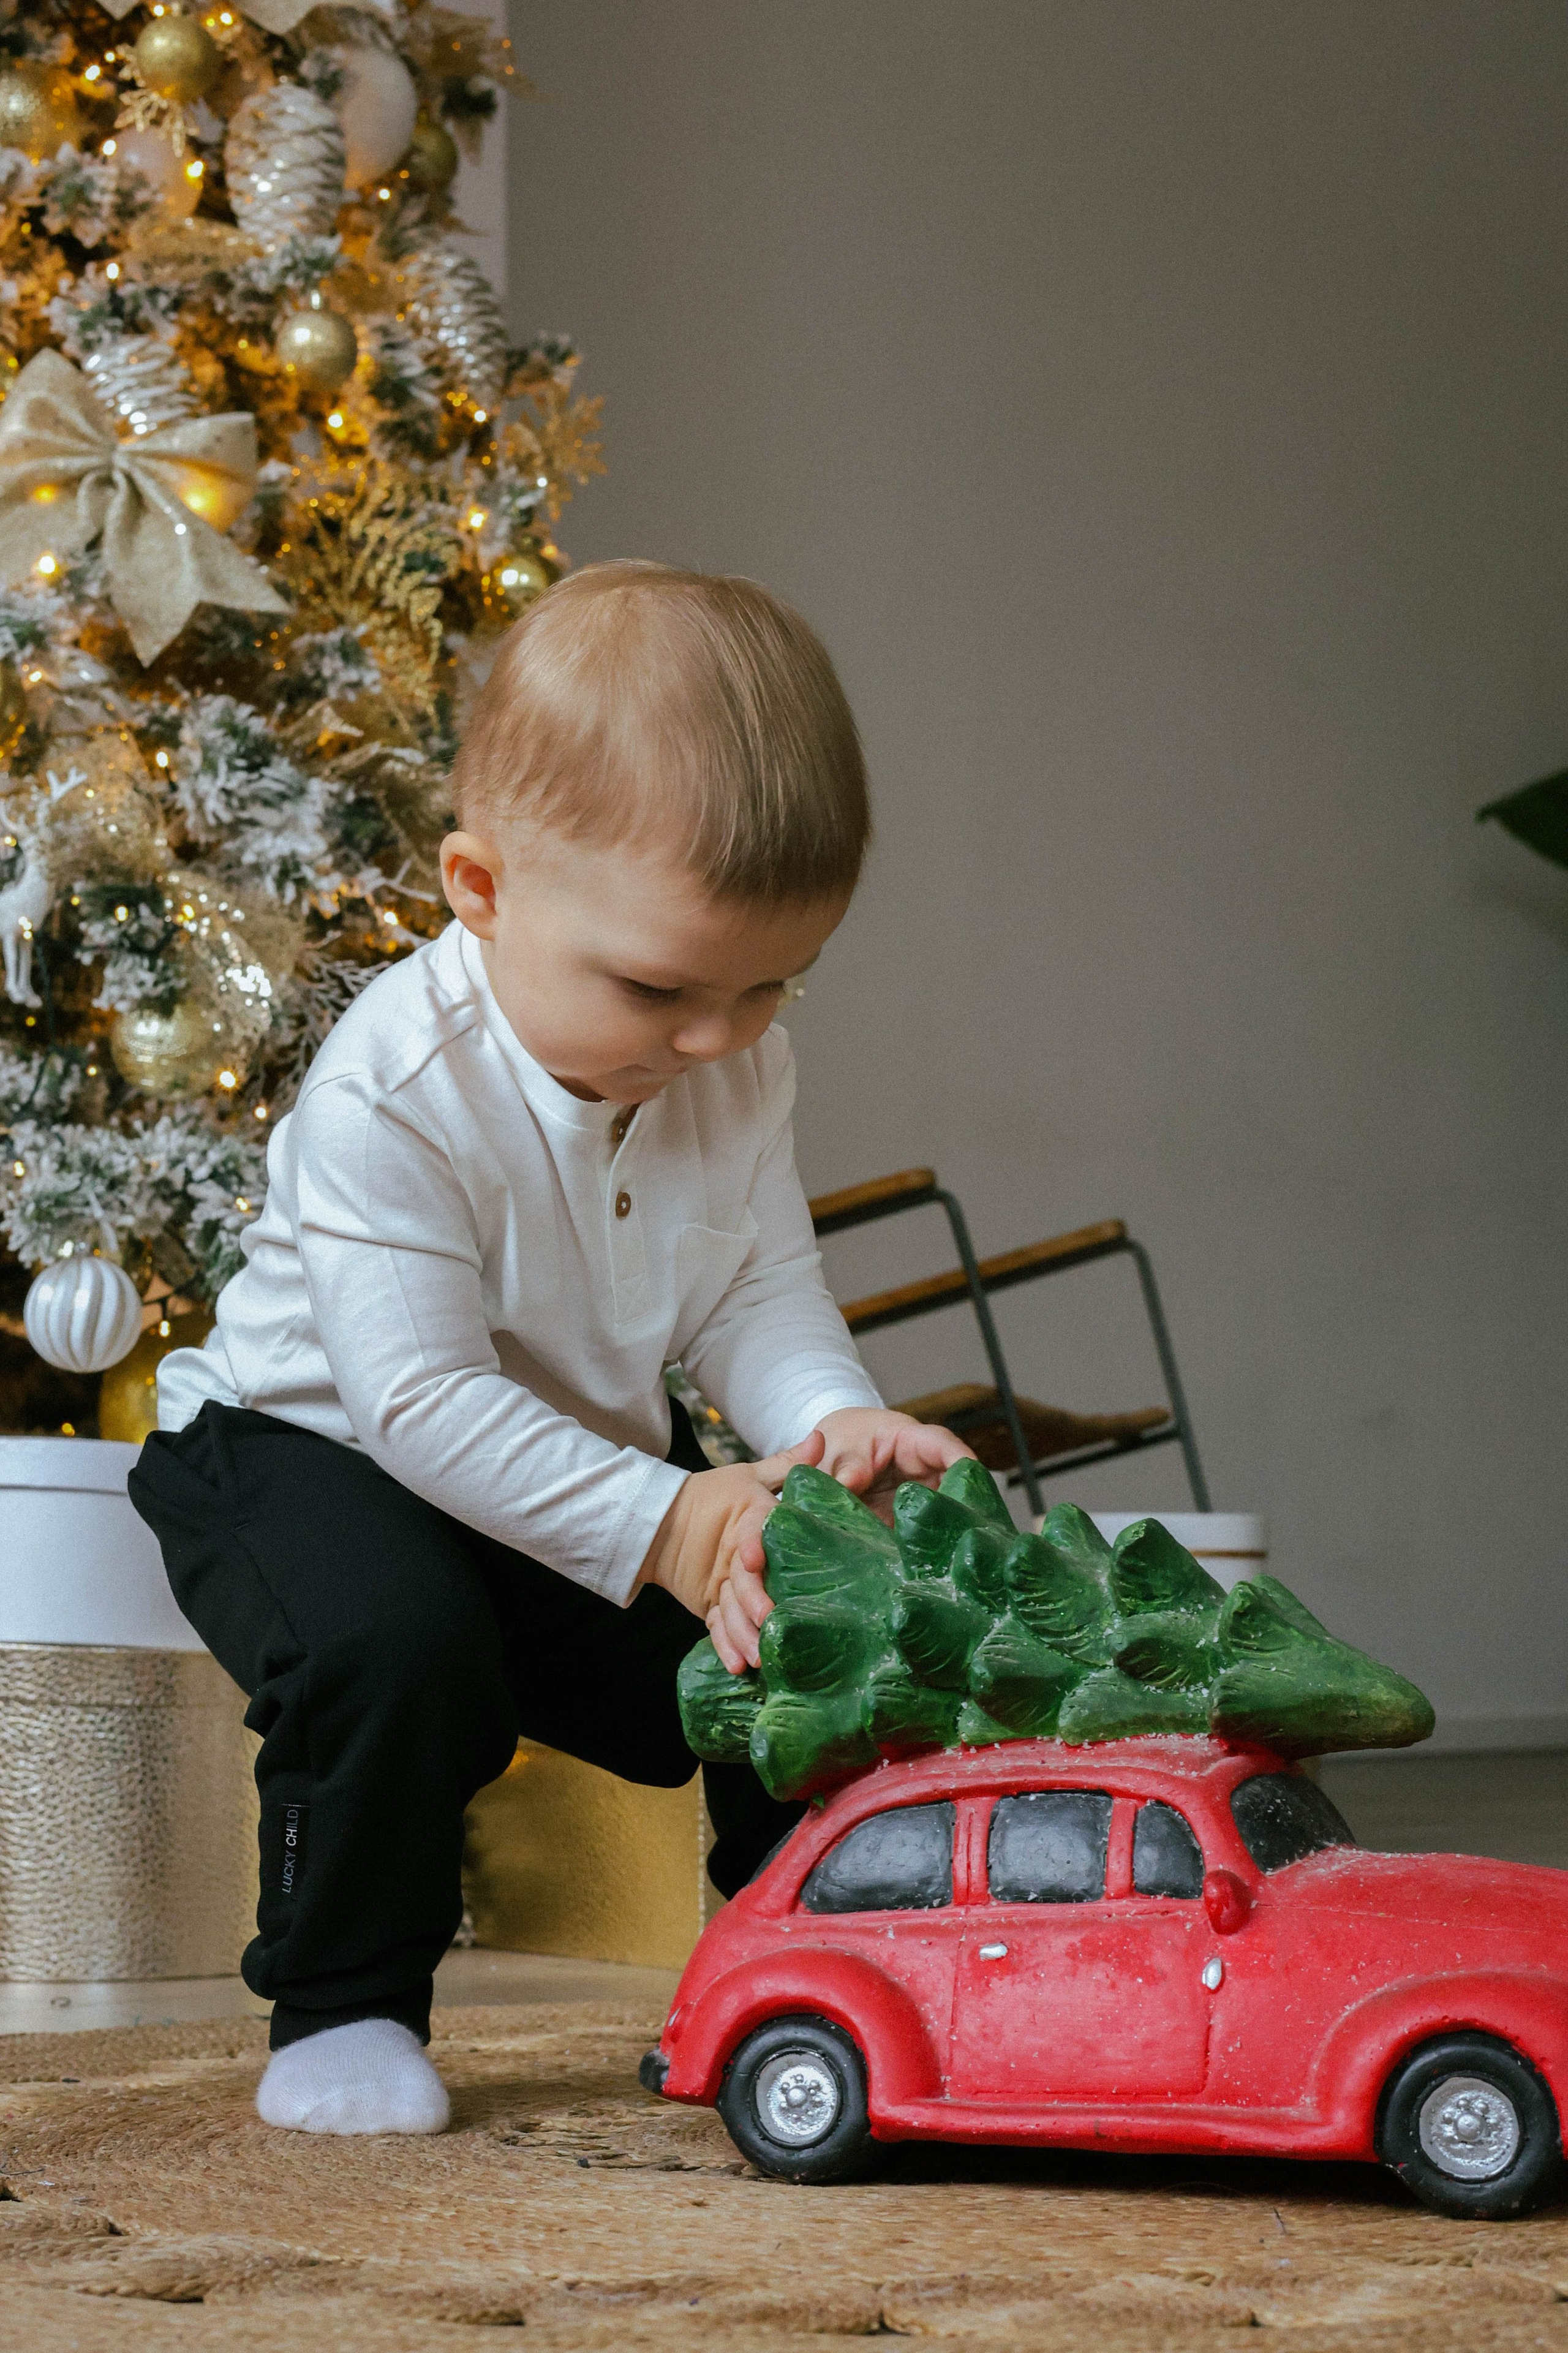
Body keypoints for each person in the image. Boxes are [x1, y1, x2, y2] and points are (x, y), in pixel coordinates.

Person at [130, 562, 971, 2137]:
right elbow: (418, 1399)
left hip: (562, 1451)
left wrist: (828, 1426)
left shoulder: (731, 1060)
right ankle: (343, 2006)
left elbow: (753, 1292)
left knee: (792, 1616)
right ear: (484, 888)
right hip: (306, 1443)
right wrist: (668, 1521)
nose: (717, 1037)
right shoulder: (391, 1088)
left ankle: (797, 1964)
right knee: (397, 1646)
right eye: (659, 987)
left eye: (769, 983)